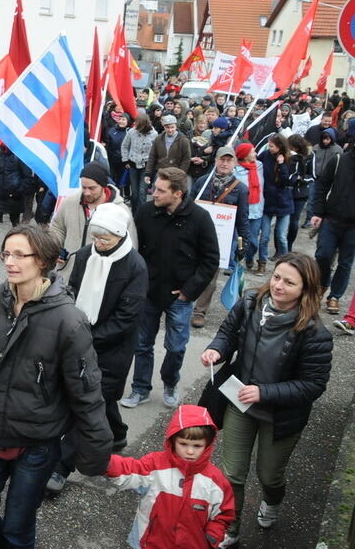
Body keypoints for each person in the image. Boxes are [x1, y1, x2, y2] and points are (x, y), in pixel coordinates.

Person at [0, 223, 112, 549]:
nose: (9, 262)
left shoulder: (69, 321)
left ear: (42, 260)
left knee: (18, 528)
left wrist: (96, 450)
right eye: (6, 254)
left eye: (19, 255)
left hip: (36, 445)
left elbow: (87, 393)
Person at [199, 253, 333, 547]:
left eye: (289, 282)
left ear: (306, 288)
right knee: (232, 473)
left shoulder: (315, 333)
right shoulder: (250, 302)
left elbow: (313, 385)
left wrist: (265, 392)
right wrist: (216, 350)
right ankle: (231, 527)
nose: (278, 285)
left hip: (281, 416)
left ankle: (272, 501)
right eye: (276, 277)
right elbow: (228, 333)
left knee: (269, 475)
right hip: (240, 403)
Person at [46, 203, 147, 495]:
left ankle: (61, 466)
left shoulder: (135, 266)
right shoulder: (85, 254)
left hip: (112, 348)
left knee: (90, 402)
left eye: (105, 238)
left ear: (120, 235)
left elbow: (127, 318)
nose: (99, 243)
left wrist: (88, 338)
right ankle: (117, 433)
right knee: (97, 399)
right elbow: (72, 290)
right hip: (79, 338)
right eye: (96, 237)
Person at [123, 167, 219, 409]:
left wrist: (189, 290)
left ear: (178, 193)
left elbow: (211, 260)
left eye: (160, 190)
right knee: (142, 344)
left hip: (180, 297)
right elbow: (132, 250)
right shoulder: (145, 212)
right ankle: (140, 388)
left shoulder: (200, 218)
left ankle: (170, 383)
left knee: (176, 347)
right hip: (148, 292)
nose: (153, 193)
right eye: (154, 188)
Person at [105, 405, 234, 549]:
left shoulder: (216, 481)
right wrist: (105, 462)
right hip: (150, 542)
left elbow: (223, 513)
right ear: (172, 440)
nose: (190, 451)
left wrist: (213, 536)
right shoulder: (155, 465)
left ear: (208, 445)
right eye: (183, 444)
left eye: (197, 446)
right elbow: (131, 469)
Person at [190, 147, 250, 328]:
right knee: (187, 269)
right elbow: (189, 205)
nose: (224, 163)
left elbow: (243, 219)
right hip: (195, 235)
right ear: (215, 160)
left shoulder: (240, 189)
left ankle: (199, 311)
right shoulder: (202, 182)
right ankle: (181, 302)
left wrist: (244, 242)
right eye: (222, 159)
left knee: (210, 277)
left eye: (229, 160)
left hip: (220, 241)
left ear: (235, 163)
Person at [50, 162, 137, 279]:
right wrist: (54, 248)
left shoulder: (121, 211)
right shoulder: (69, 202)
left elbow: (130, 247)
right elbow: (57, 227)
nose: (86, 192)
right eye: (84, 187)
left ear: (103, 186)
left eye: (92, 188)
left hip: (99, 279)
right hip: (66, 275)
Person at [311, 135, 355, 315]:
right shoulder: (338, 160)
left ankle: (334, 296)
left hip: (353, 226)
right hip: (331, 219)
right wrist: (318, 212)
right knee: (323, 255)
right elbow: (322, 187)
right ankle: (321, 287)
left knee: (345, 263)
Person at [257, 134, 293, 265]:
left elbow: (286, 181)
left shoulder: (289, 159)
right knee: (264, 237)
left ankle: (286, 262)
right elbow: (256, 163)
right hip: (267, 201)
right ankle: (262, 262)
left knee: (281, 236)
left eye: (271, 146)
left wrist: (282, 164)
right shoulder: (265, 155)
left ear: (279, 146)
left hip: (283, 202)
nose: (269, 148)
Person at [234, 143, 265, 273]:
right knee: (238, 240)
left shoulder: (259, 166)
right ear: (245, 155)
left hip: (256, 210)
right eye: (252, 152)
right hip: (241, 211)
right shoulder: (235, 170)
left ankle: (249, 257)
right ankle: (235, 262)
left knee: (253, 242)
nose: (255, 154)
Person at [122, 113, 158, 212]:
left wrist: (153, 164)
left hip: (146, 166)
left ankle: (141, 214)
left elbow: (155, 151)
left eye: (137, 123)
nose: (135, 124)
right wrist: (125, 160)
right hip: (133, 164)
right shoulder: (131, 132)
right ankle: (134, 213)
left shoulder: (154, 134)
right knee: (134, 192)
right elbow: (125, 146)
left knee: (142, 191)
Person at [145, 115, 192, 190]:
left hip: (175, 175)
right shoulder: (158, 138)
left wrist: (180, 173)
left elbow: (186, 159)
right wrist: (148, 173)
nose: (170, 130)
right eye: (167, 127)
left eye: (172, 127)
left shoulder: (183, 140)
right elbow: (152, 156)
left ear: (176, 126)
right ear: (164, 127)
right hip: (161, 172)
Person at [286, 134, 314, 250]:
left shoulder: (310, 155)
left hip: (300, 193)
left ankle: (289, 245)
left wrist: (300, 180)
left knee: (294, 221)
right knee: (282, 222)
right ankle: (280, 249)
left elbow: (312, 176)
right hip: (286, 191)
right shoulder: (288, 155)